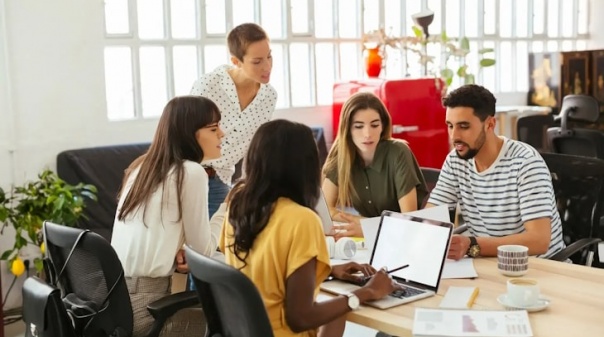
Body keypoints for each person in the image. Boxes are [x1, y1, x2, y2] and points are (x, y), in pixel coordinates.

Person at [220, 120, 399, 337]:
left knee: (338, 307)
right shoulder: (302, 219)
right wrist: (366, 292)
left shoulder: (237, 204)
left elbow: (259, 266)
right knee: (344, 307)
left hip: (245, 331)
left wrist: (327, 270)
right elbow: (300, 318)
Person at [111, 96, 225, 337]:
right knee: (235, 320)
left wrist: (181, 250)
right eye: (214, 128)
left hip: (115, 305)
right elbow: (203, 251)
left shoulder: (141, 168)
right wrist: (227, 207)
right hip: (147, 312)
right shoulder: (190, 172)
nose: (222, 135)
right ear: (190, 134)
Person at [426, 84, 565, 260]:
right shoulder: (456, 161)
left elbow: (539, 241)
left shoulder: (525, 162)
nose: (454, 136)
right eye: (450, 126)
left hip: (540, 269)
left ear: (490, 124)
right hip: (491, 263)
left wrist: (471, 245)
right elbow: (431, 216)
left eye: (464, 126)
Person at [190, 22, 277, 217]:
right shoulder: (209, 85)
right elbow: (183, 134)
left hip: (221, 179)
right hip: (190, 176)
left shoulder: (268, 96)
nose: (267, 66)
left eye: (269, 56)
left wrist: (249, 186)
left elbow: (254, 147)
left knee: (221, 243)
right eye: (257, 61)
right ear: (236, 61)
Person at [322, 92, 428, 239]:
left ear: (382, 126)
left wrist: (370, 227)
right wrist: (366, 224)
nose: (367, 134)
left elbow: (408, 221)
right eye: (358, 126)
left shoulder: (398, 152)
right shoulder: (341, 154)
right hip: (373, 240)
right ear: (348, 130)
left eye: (374, 125)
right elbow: (326, 210)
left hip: (411, 237)